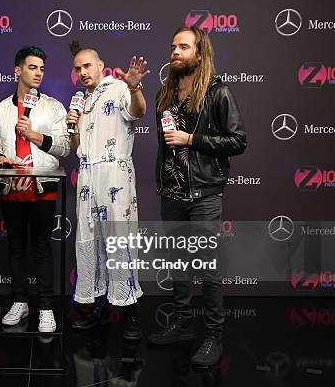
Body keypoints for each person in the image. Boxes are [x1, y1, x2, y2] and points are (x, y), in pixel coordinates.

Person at [147, 26, 246, 366]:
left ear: (199, 54)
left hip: (204, 193)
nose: (175, 51)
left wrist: (192, 140)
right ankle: (181, 325)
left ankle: (214, 337)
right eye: (173, 46)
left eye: (183, 47)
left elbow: (238, 141)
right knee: (179, 263)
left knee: (207, 267)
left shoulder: (217, 93)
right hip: (172, 193)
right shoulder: (166, 93)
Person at [65, 41, 149, 340]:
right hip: (87, 176)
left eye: (87, 65)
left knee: (119, 239)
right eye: (78, 68)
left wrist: (136, 88)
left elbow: (138, 112)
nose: (83, 72)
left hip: (114, 173)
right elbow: (75, 148)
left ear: (101, 65)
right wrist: (72, 125)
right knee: (89, 239)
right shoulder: (81, 101)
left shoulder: (118, 87)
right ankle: (92, 303)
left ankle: (130, 311)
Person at [0, 46, 70, 333]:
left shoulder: (53, 107)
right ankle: (20, 301)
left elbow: (63, 147)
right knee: (15, 247)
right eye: (32, 67)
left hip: (42, 187)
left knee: (41, 247)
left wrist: (34, 135)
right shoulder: (0, 109)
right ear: (17, 70)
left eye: (41, 69)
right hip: (12, 187)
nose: (38, 73)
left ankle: (46, 307)